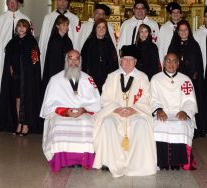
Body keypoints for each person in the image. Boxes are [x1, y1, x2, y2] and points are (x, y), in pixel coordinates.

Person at [93, 45, 156, 178]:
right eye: (125, 59)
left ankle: (137, 163)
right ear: (120, 61)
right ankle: (110, 162)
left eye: (131, 59)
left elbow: (147, 99)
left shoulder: (143, 78)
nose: (127, 62)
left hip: (136, 113)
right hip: (115, 113)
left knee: (142, 125)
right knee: (107, 123)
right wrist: (117, 109)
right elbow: (105, 98)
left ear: (136, 62)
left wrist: (133, 109)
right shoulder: (112, 76)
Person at [40, 50, 101, 173]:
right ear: (66, 61)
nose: (73, 61)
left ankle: (83, 160)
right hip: (61, 114)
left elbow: (96, 102)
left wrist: (83, 109)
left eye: (76, 59)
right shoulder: (55, 79)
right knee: (59, 124)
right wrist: (65, 111)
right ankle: (62, 160)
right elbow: (49, 105)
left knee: (87, 124)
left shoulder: (88, 79)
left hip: (83, 113)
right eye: (70, 58)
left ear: (80, 61)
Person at [150, 52, 197, 171]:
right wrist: (159, 110)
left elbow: (190, 100)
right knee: (159, 124)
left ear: (178, 64)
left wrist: (185, 111)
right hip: (162, 112)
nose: (171, 64)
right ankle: (161, 161)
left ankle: (178, 162)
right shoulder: (156, 79)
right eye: (168, 61)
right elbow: (152, 98)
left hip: (179, 113)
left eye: (174, 61)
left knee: (181, 124)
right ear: (164, 63)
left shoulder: (185, 79)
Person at [0, 0, 30, 106]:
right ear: (6, 3)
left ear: (18, 3)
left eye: (14, 1)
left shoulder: (25, 19)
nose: (12, 4)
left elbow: (30, 40)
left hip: (19, 59)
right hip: (2, 56)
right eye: (9, 2)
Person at [0, 19, 42, 135]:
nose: (21, 29)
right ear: (16, 28)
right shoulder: (13, 42)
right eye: (19, 26)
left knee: (26, 100)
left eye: (24, 26)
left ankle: (26, 124)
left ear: (27, 29)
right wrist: (11, 70)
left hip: (27, 78)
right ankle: (19, 123)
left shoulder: (31, 42)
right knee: (17, 100)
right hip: (16, 77)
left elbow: (35, 61)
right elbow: (9, 60)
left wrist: (30, 74)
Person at [168, 20, 205, 137]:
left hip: (191, 82)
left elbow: (199, 64)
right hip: (177, 81)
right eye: (181, 30)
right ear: (177, 32)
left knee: (190, 103)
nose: (183, 32)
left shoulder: (195, 45)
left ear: (189, 31)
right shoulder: (173, 45)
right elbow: (169, 63)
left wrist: (195, 75)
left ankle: (193, 128)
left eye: (186, 30)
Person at [39, 0, 80, 76]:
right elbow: (43, 38)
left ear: (68, 3)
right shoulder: (48, 17)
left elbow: (77, 38)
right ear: (57, 1)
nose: (62, 3)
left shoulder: (74, 18)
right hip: (52, 55)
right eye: (60, 0)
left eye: (65, 0)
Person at [81, 18, 118, 93]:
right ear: (95, 29)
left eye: (103, 27)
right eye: (99, 27)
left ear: (106, 30)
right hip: (91, 77)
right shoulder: (88, 44)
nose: (101, 29)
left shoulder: (110, 45)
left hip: (106, 78)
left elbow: (114, 63)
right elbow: (83, 63)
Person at [42, 15, 73, 93]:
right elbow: (53, 62)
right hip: (55, 72)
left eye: (67, 25)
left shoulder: (68, 40)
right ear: (57, 26)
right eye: (63, 25)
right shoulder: (54, 40)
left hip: (65, 71)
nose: (66, 27)